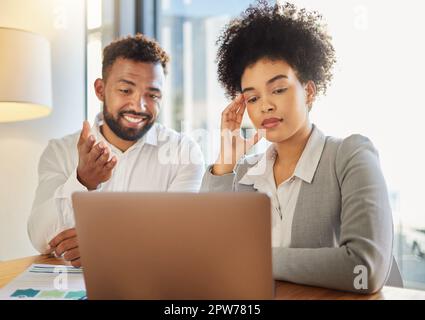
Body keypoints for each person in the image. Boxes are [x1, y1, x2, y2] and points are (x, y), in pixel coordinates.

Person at [201, 1, 396, 293]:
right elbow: (208, 256)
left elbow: (363, 269)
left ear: (308, 91)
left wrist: (254, 260)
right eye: (252, 98)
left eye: (278, 89)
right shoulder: (245, 173)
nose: (265, 105)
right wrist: (226, 159)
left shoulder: (351, 156)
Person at [29, 34, 205, 267]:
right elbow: (41, 239)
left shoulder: (184, 152)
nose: (138, 106)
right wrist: (82, 181)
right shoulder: (60, 151)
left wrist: (103, 243)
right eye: (125, 90)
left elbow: (182, 237)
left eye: (152, 95)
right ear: (101, 90)